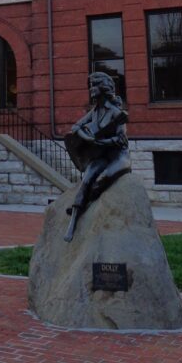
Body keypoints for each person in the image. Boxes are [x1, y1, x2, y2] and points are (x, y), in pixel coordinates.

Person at [63, 71, 131, 242]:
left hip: (118, 157)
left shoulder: (117, 113)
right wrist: (90, 139)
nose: (91, 89)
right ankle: (73, 221)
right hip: (100, 155)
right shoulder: (95, 111)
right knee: (86, 180)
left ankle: (85, 204)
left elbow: (121, 141)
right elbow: (77, 127)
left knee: (103, 179)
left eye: (94, 86)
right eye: (90, 86)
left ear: (103, 88)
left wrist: (102, 142)